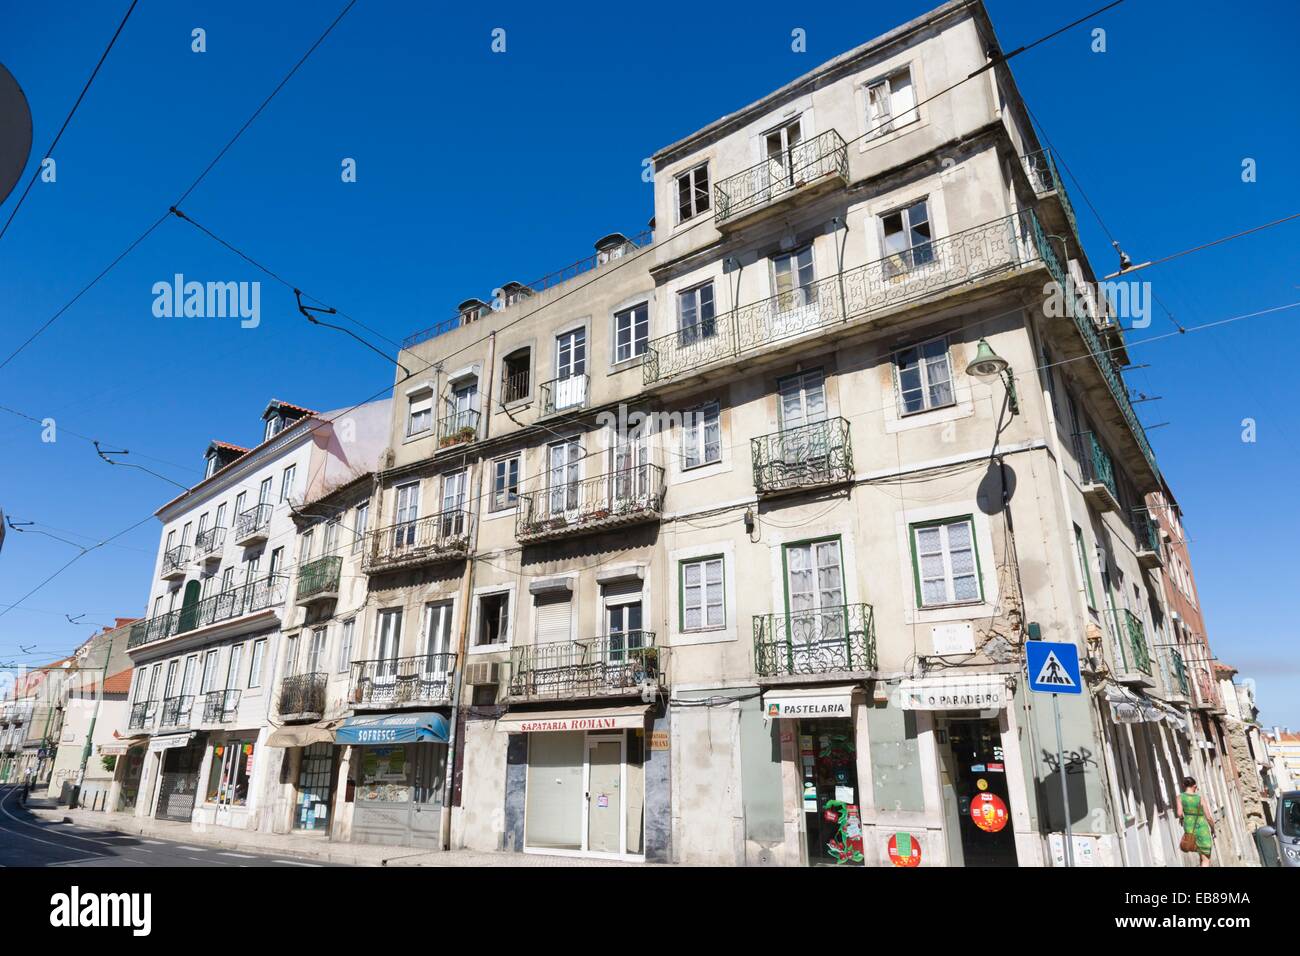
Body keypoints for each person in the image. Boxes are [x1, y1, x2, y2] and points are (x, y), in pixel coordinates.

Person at [1176, 776, 1215, 867]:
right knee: (1206, 859)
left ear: (1183, 785)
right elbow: (1208, 817)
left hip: (1190, 829)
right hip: (1202, 829)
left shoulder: (1180, 797)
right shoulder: (1199, 798)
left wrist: (1183, 818)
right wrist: (1213, 828)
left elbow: (1179, 813)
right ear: (1194, 786)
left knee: (1201, 856)